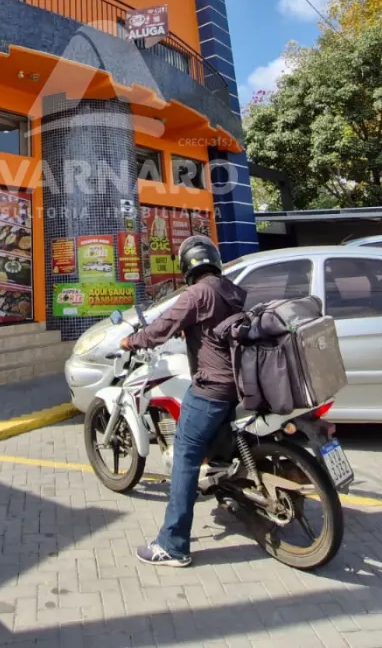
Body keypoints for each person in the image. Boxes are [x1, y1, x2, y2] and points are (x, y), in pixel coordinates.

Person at [120, 234, 246, 567]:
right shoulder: (230, 289)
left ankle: (173, 545)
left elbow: (160, 328)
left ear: (186, 266)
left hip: (211, 387)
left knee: (185, 457)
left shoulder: (196, 294)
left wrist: (131, 341)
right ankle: (224, 481)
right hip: (239, 384)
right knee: (213, 442)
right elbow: (215, 326)